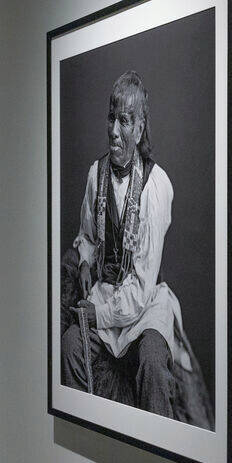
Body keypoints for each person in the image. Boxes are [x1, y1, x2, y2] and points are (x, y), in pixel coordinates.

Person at [61, 70, 213, 428]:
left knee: (152, 361)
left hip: (144, 304)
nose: (114, 131)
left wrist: (100, 316)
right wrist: (84, 262)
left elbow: (143, 283)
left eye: (125, 121)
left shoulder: (156, 187)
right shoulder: (94, 175)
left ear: (140, 128)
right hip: (105, 291)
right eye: (111, 118)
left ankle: (159, 451)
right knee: (70, 346)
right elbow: (87, 235)